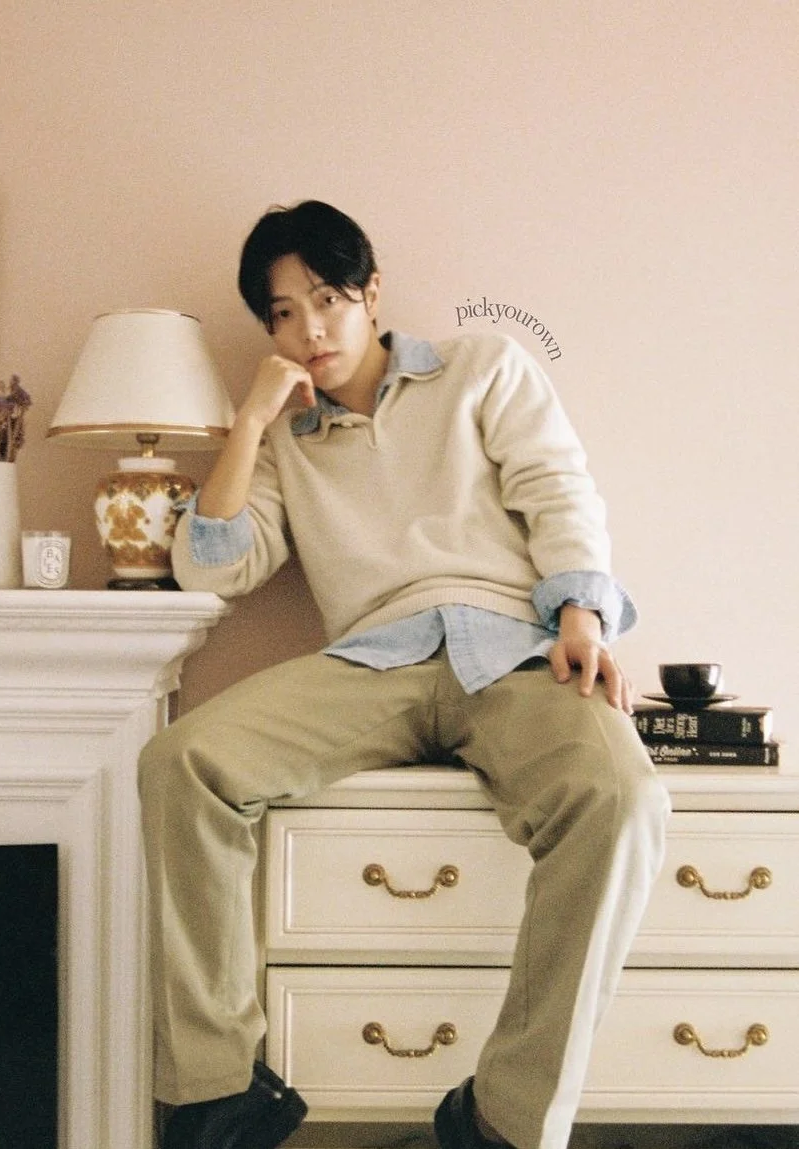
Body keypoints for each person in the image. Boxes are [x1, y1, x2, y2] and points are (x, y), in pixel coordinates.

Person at [138, 200, 670, 1149]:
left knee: (623, 796)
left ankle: (506, 1116)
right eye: (283, 314)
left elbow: (557, 487)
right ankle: (217, 1087)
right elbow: (212, 566)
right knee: (182, 761)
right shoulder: (287, 441)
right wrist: (252, 420)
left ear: (372, 292)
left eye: (327, 300)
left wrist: (581, 615)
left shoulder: (483, 367)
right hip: (372, 660)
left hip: (511, 648)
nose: (309, 331)